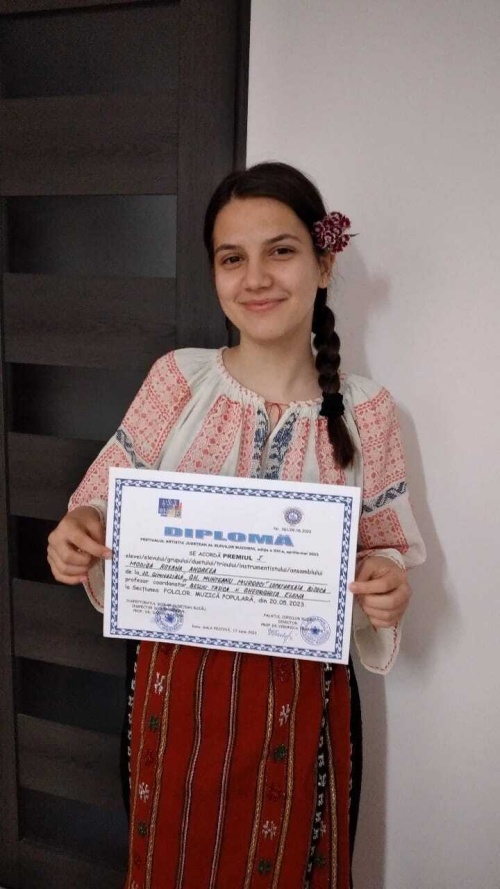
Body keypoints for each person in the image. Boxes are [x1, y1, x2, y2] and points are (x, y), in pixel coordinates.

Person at [47, 162, 425, 889]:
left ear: (323, 263)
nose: (256, 278)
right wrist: (80, 531)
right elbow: (97, 507)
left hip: (304, 703)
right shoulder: (177, 381)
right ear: (215, 273)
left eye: (280, 250)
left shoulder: (369, 411)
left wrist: (385, 583)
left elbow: (383, 553)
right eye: (232, 258)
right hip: (176, 699)